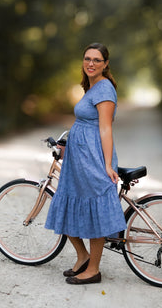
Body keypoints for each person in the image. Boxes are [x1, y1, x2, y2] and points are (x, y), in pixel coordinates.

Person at [45, 42, 126, 285]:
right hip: (77, 159)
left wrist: (108, 164)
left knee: (95, 211)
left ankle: (94, 269)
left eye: (97, 60)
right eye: (87, 58)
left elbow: (105, 128)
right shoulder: (91, 87)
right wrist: (67, 144)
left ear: (105, 64)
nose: (91, 63)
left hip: (93, 158)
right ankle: (82, 257)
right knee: (67, 203)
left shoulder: (104, 89)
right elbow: (85, 123)